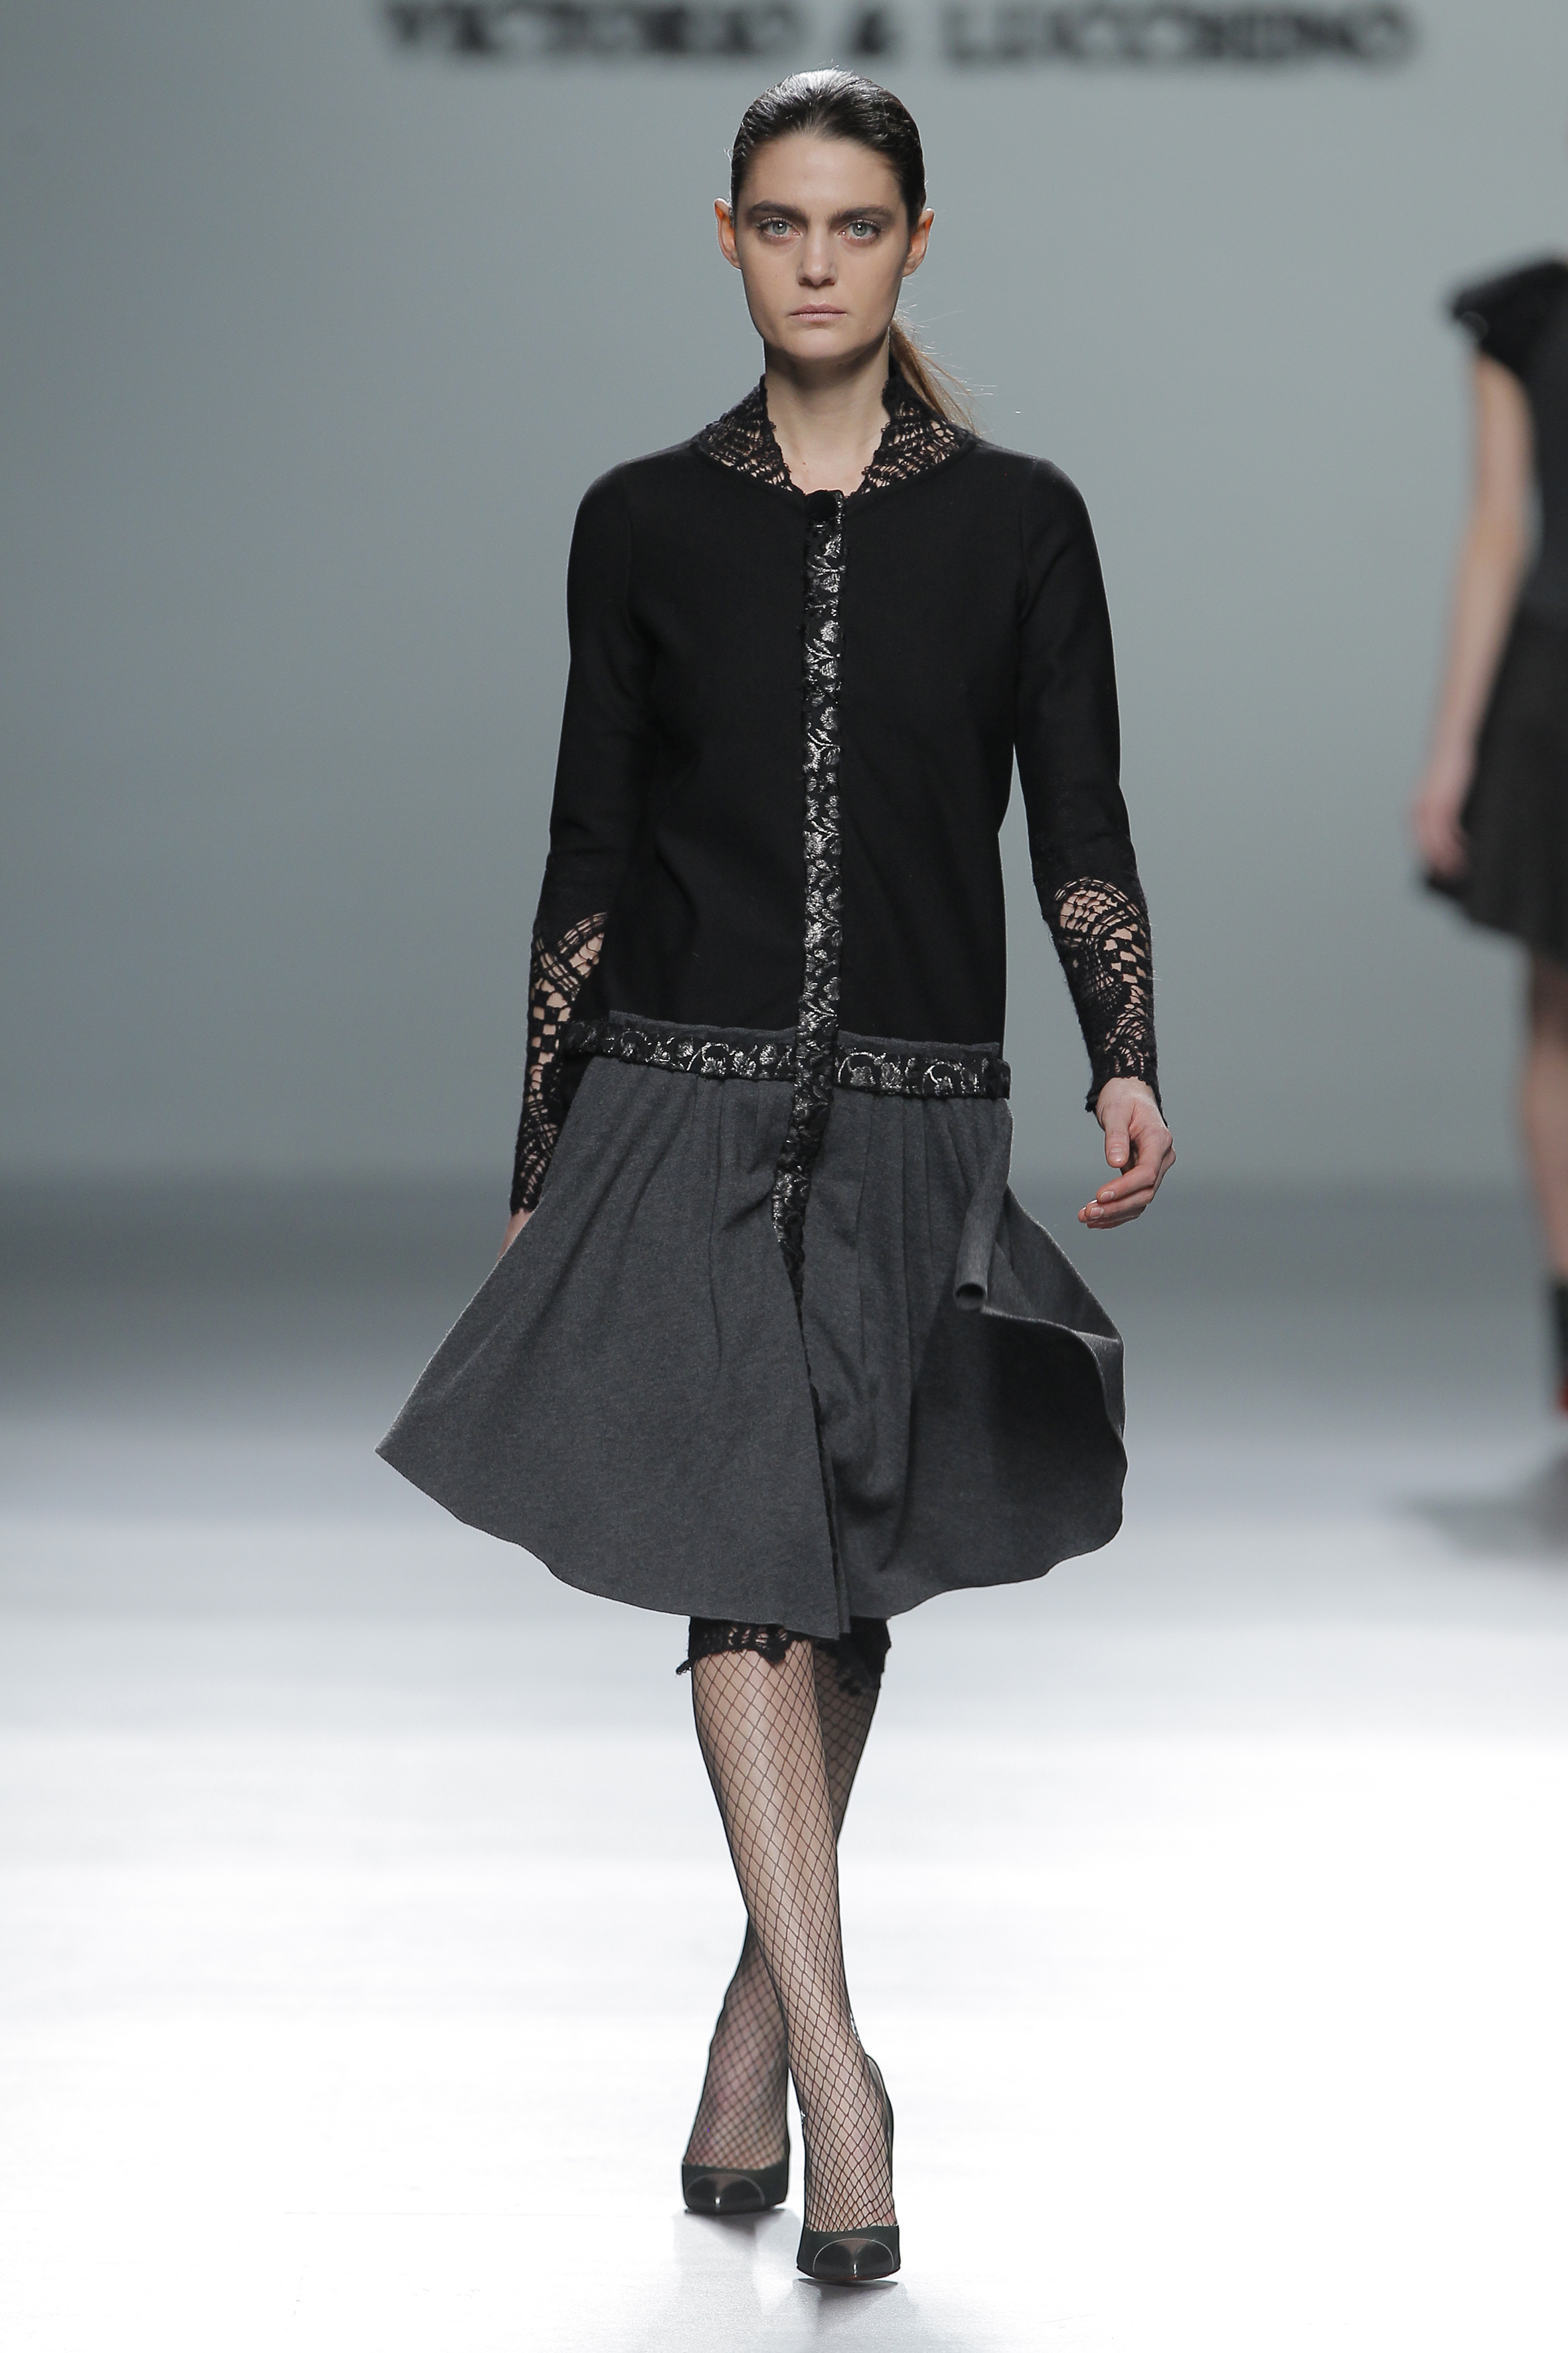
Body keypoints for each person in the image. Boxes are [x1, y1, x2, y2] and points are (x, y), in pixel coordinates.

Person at [380, 70, 1172, 2285]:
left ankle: (743, 2034)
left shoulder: (1020, 523)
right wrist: (542, 1142)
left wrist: (1126, 1054)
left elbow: (1077, 820)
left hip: (920, 1108)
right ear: (725, 237)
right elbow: (588, 845)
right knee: (745, 1565)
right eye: (781, 222)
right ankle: (840, 2074)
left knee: (844, 1574)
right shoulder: (641, 520)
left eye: (858, 223)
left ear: (915, 241)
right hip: (679, 1093)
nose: (818, 261)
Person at [1415, 251, 1568, 1400]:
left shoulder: (1529, 320)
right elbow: (1494, 532)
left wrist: (1454, 750)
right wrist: (1453, 749)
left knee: (1558, 1016)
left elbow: (1494, 530)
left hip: (1552, 687)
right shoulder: (1524, 317)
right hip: (1551, 691)